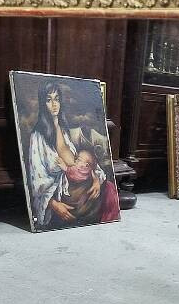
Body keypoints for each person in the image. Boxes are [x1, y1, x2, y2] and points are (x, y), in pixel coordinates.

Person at [27, 80, 108, 229]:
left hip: (83, 190)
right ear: (42, 103)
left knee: (109, 189)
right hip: (64, 199)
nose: (54, 104)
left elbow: (80, 161)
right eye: (49, 100)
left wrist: (96, 180)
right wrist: (54, 205)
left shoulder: (64, 131)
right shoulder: (37, 137)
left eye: (57, 99)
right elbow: (36, 181)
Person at [56, 145, 119, 225]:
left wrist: (65, 168)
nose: (76, 161)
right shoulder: (85, 169)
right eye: (77, 159)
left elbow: (73, 173)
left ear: (86, 165)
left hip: (82, 202)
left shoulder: (82, 171)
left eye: (78, 159)